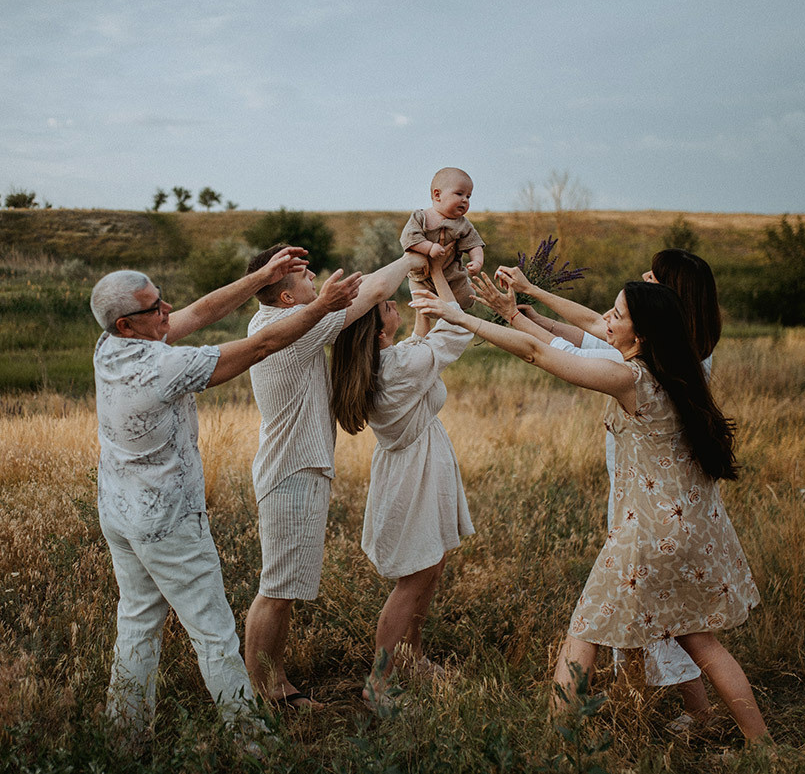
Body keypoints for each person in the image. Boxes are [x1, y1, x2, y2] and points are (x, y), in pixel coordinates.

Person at [411, 280, 768, 743]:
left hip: (646, 534)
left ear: (641, 337)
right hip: (690, 528)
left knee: (584, 630)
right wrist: (518, 313)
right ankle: (763, 747)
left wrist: (461, 317)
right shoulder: (679, 372)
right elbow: (576, 337)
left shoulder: (631, 378)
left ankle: (558, 742)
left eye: (617, 316)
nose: (607, 320)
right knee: (699, 639)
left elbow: (540, 356)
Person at [90, 248, 361, 750]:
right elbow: (260, 347)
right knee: (214, 635)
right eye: (155, 308)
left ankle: (124, 739)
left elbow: (202, 311)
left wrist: (260, 277)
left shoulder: (108, 346)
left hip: (120, 514)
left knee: (137, 624)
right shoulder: (163, 366)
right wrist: (321, 307)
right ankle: (252, 742)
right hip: (167, 521)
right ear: (128, 324)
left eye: (161, 300)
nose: (168, 309)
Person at [480, 248, 723, 734]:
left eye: (652, 278)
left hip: (649, 501)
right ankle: (690, 711)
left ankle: (562, 734)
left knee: (633, 613)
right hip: (653, 494)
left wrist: (515, 319)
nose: (642, 277)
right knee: (668, 613)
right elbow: (591, 327)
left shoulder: (655, 365)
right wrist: (530, 303)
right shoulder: (671, 349)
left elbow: (573, 350)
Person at [244, 244, 426, 709]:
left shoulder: (276, 324)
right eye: (306, 279)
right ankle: (268, 693)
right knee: (275, 590)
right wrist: (414, 256)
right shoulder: (293, 330)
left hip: (296, 468)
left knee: (282, 588)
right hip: (292, 471)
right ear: (287, 298)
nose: (317, 283)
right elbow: (372, 293)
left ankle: (275, 683)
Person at [329, 258, 474, 707]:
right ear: (378, 332)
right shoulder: (400, 366)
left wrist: (421, 290)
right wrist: (434, 280)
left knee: (431, 564)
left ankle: (411, 656)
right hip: (415, 472)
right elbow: (457, 331)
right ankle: (379, 684)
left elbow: (420, 339)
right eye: (386, 306)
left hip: (414, 467)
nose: (391, 304)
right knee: (415, 577)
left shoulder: (384, 361)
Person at [399, 167, 485, 309]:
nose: (465, 200)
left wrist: (477, 261)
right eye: (459, 194)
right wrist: (429, 247)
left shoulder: (463, 224)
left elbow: (474, 244)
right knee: (424, 307)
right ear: (437, 195)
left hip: (452, 276)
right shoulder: (421, 217)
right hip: (422, 277)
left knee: (465, 300)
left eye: (468, 196)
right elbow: (409, 238)